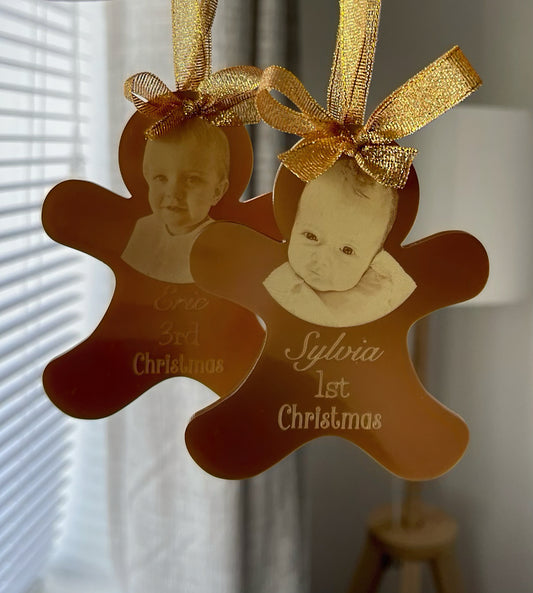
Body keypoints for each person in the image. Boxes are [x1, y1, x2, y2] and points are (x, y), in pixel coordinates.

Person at [263, 158, 416, 327]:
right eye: (311, 236)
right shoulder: (280, 282)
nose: (322, 260)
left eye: (347, 250)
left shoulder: (384, 289)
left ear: (374, 257)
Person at [121, 118, 230, 283]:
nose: (173, 193)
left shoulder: (218, 243)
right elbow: (130, 281)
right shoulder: (144, 228)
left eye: (191, 179)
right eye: (161, 178)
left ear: (217, 192)